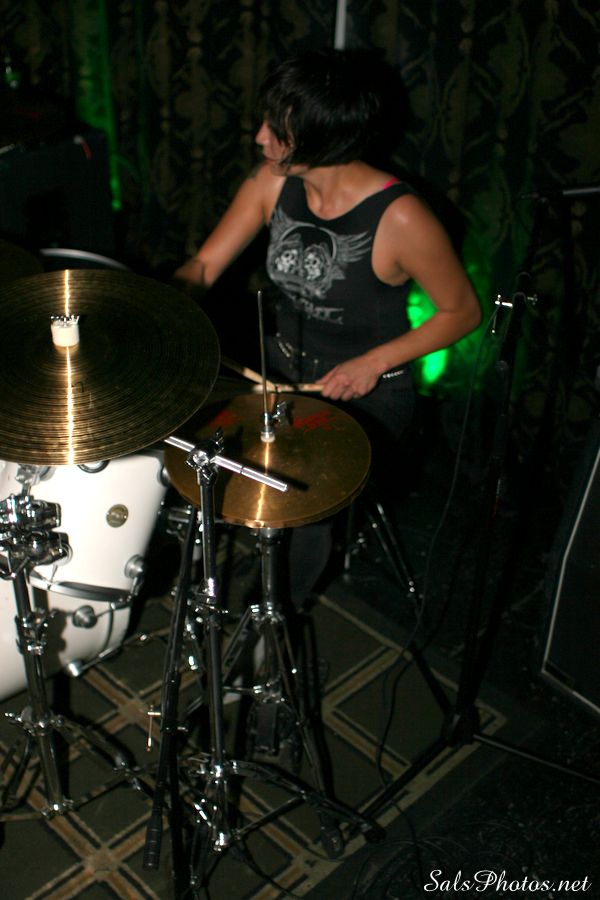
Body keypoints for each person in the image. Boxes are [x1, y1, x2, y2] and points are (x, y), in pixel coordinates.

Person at [175, 47, 481, 607]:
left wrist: (373, 363)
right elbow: (204, 265)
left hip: (366, 393)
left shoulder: (400, 216)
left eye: (277, 129)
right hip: (280, 369)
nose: (260, 138)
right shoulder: (273, 182)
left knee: (300, 504)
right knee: (193, 445)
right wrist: (159, 306)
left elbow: (462, 311)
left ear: (324, 137)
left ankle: (273, 625)